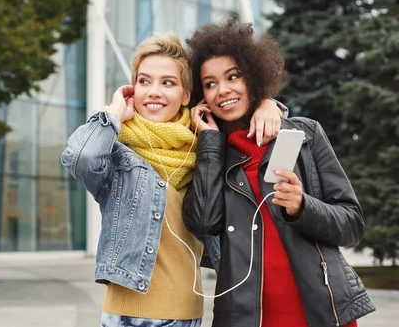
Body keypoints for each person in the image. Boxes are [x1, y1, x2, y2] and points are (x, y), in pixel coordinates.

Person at [61, 32, 284, 327]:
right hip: (129, 317)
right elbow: (81, 157)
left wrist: (268, 103)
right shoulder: (116, 154)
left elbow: (238, 110)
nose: (154, 91)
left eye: (168, 82)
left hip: (188, 315)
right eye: (144, 81)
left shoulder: (205, 144)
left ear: (186, 95)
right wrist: (113, 112)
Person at [182, 17, 375, 327]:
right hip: (247, 317)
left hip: (321, 312)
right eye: (210, 83)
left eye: (234, 76)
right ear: (201, 95)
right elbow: (204, 221)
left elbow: (352, 225)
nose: (223, 90)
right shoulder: (209, 154)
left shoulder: (306, 134)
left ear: (253, 77)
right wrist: (208, 143)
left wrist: (303, 206)